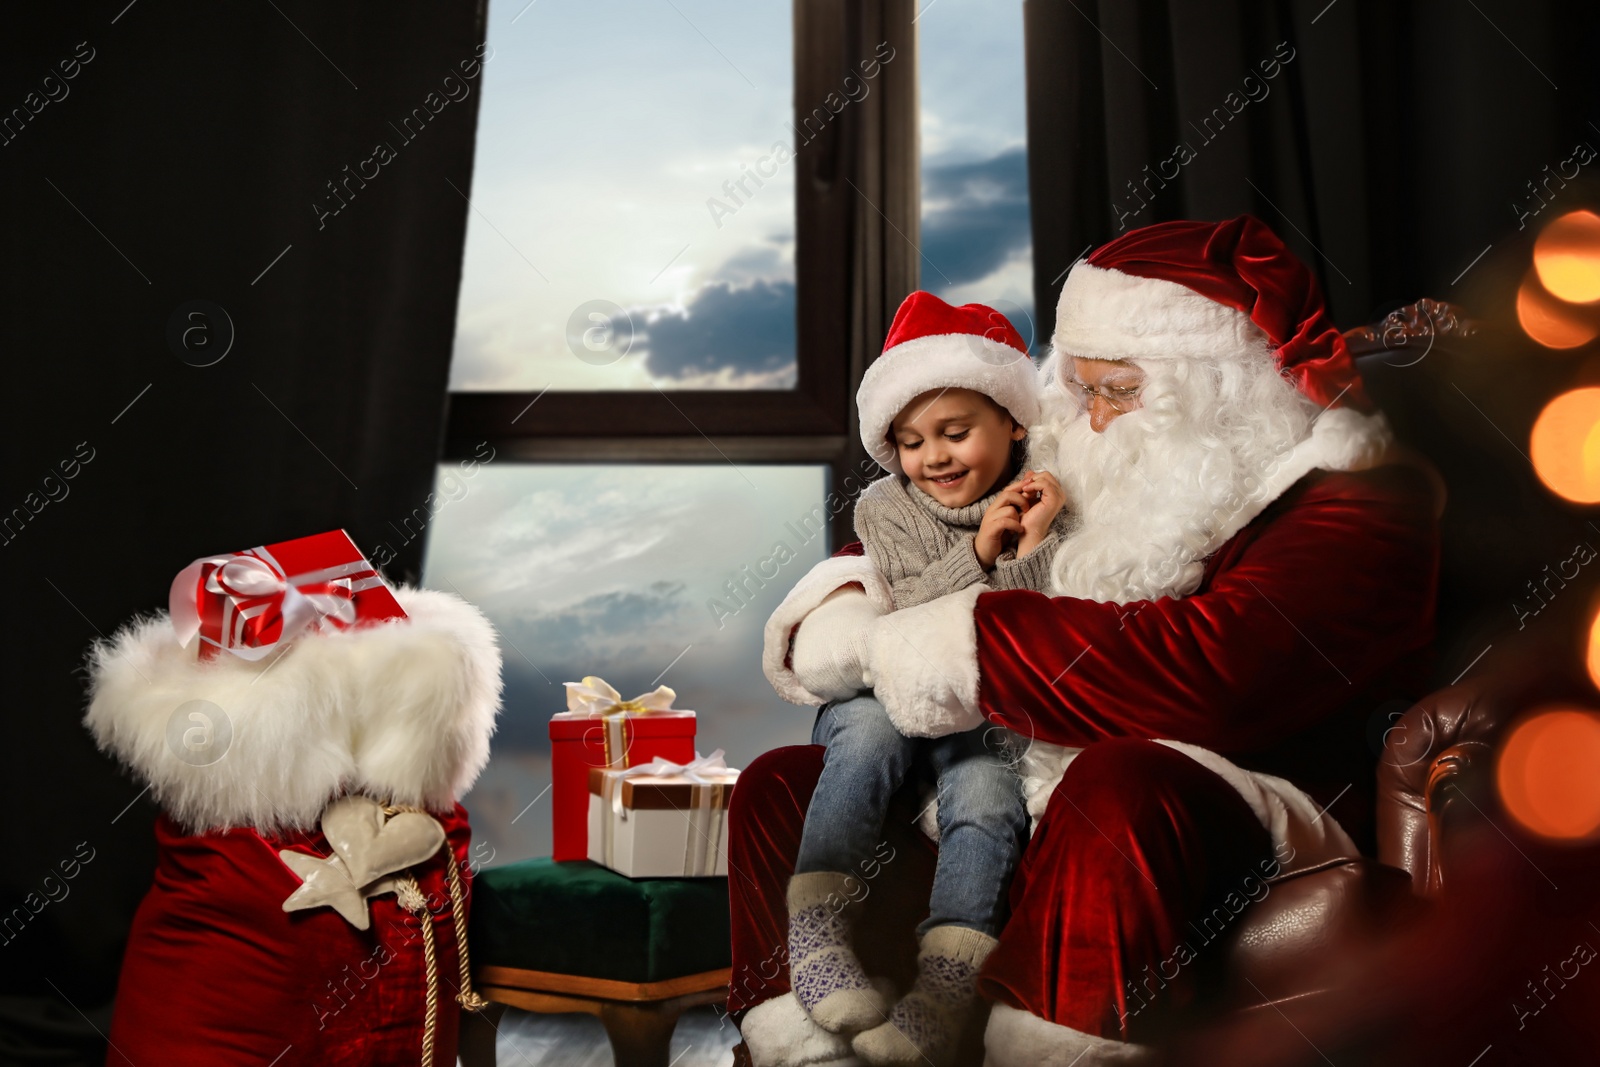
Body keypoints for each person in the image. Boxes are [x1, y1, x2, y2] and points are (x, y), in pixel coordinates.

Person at [734, 216, 1439, 1066]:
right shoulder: (1070, 457)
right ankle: (820, 1045)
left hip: (1231, 790)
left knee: (1117, 784)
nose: (1092, 419)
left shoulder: (1350, 500)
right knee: (783, 782)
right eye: (1079, 387)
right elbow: (892, 557)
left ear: (1217, 389)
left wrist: (951, 640)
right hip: (1018, 764)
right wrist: (848, 607)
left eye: (1120, 391)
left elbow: (1216, 673)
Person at [781, 292, 1072, 1067]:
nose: (933, 458)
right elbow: (911, 607)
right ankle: (817, 930)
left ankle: (944, 990)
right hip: (887, 690)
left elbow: (1036, 625)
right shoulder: (888, 507)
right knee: (867, 733)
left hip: (982, 708)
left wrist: (1033, 543)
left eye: (954, 433)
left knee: (986, 792)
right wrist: (982, 551)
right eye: (911, 441)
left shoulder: (1045, 498)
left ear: (1012, 421)